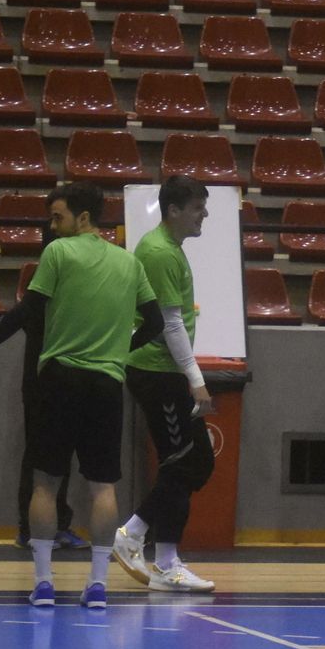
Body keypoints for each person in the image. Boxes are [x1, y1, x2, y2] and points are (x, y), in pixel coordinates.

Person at [0, 183, 163, 608]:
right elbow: (154, 323)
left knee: (45, 483)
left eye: (57, 216)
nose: (52, 224)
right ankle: (97, 586)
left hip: (59, 380)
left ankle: (44, 582)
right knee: (103, 487)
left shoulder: (58, 253)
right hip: (106, 385)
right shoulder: (130, 263)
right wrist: (121, 349)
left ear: (83, 217)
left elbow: (29, 309)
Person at [111, 175, 217, 594]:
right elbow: (170, 323)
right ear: (173, 210)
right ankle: (150, 549)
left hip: (165, 372)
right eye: (197, 208)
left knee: (194, 462)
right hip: (156, 371)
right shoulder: (158, 252)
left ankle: (150, 545)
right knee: (184, 463)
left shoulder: (169, 249)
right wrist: (197, 380)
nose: (204, 214)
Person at [15, 222, 85, 554]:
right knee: (38, 457)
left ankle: (58, 524)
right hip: (40, 380)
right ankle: (29, 528)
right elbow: (22, 321)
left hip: (65, 378)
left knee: (61, 456)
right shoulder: (42, 282)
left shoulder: (75, 280)